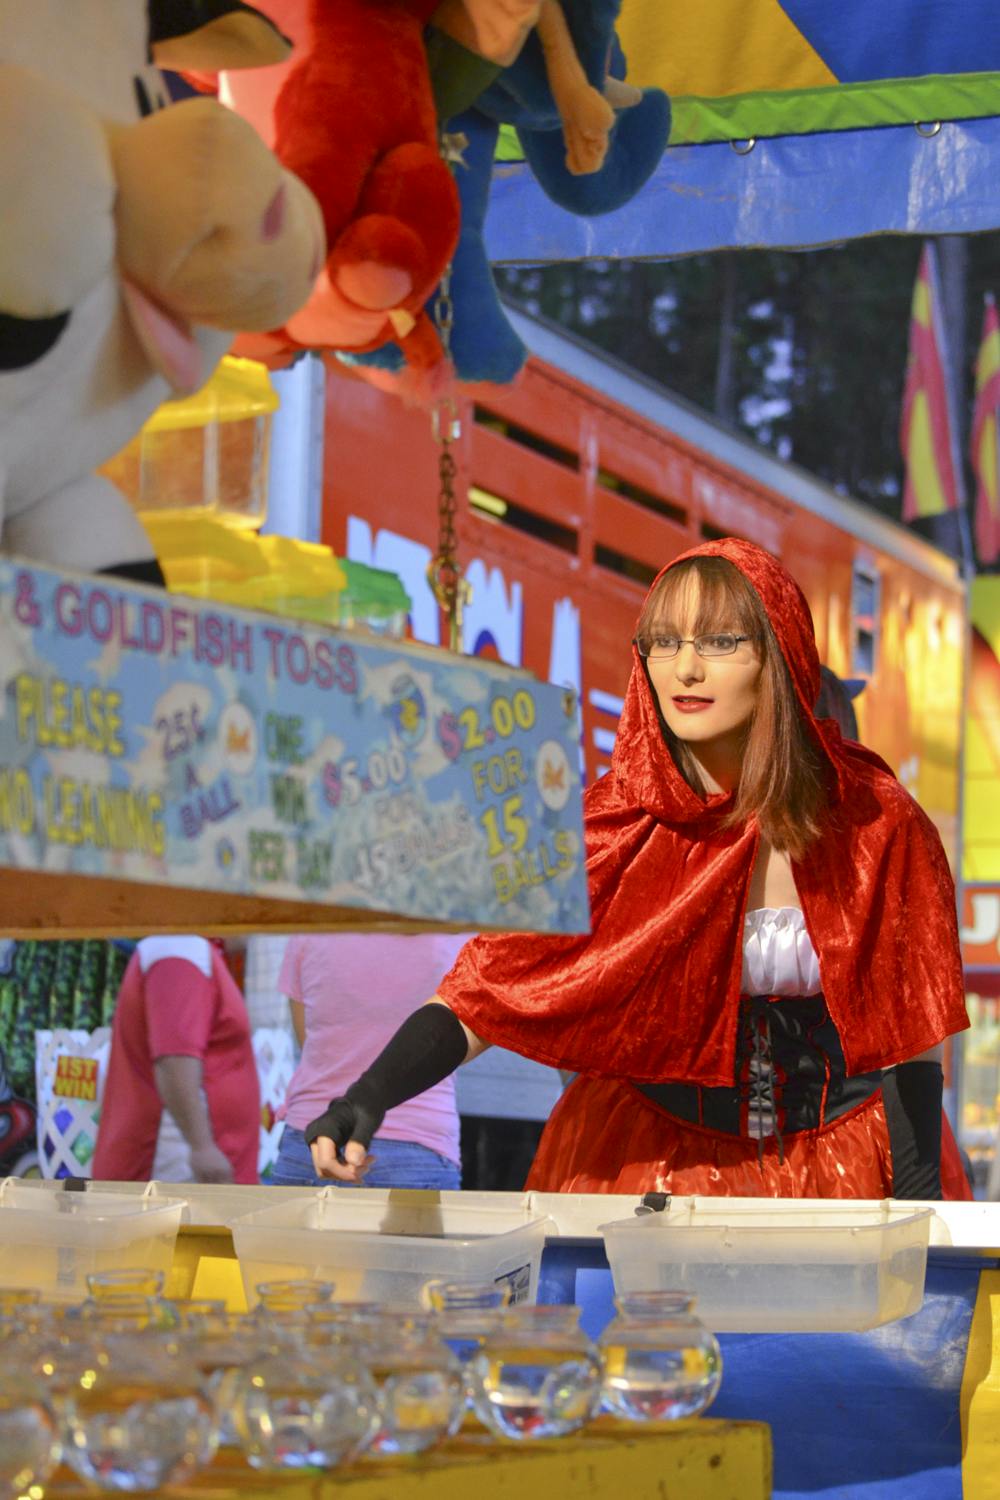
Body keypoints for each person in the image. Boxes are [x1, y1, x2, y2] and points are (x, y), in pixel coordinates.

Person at [304, 539, 970, 1200]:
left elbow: (911, 1030)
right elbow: (481, 994)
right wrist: (367, 1096)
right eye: (664, 642)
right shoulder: (609, 826)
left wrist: (919, 1208)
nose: (686, 669)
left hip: (840, 1166)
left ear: (781, 653)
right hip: (648, 1164)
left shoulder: (875, 821)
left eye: (720, 641)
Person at [270, 934, 464, 1190]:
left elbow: (305, 1038)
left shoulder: (313, 930)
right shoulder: (461, 936)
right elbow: (454, 1046)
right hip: (419, 1140)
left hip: (313, 1135)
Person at [93, 936, 259, 1185]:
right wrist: (202, 1147)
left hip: (182, 1156)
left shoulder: (186, 950)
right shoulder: (180, 949)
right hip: (176, 1161)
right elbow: (173, 1060)